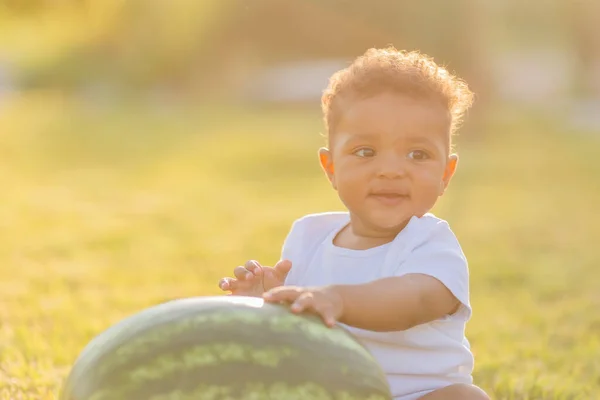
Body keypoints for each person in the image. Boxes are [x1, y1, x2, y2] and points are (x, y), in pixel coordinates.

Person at [218, 47, 490, 400]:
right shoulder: (307, 237)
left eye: (417, 154)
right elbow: (294, 340)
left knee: (465, 398)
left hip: (418, 395)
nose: (390, 170)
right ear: (331, 168)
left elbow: (415, 301)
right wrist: (265, 304)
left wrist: (337, 299)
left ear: (445, 174)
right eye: (365, 152)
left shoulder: (431, 243)